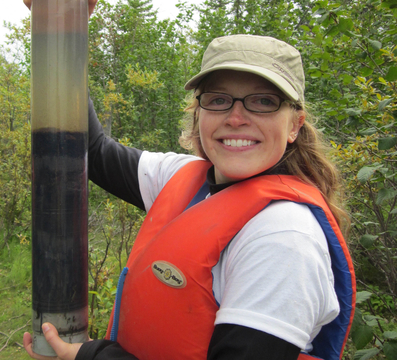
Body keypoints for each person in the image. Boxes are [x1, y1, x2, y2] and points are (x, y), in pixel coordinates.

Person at [22, 1, 356, 359]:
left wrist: (91, 357)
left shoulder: (284, 238)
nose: (236, 117)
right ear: (199, 113)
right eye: (218, 100)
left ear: (294, 124)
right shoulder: (185, 177)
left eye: (263, 101)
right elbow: (94, 151)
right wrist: (63, 25)